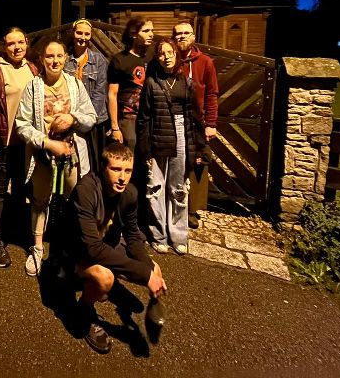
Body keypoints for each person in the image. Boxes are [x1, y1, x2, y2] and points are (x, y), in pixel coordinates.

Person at [66, 142, 168, 354]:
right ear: (103, 168)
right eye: (116, 169)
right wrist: (143, 274)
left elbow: (133, 236)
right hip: (73, 253)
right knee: (105, 279)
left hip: (105, 246)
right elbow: (93, 248)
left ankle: (117, 290)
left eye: (128, 171)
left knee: (154, 268)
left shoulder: (129, 193)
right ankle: (83, 311)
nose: (122, 177)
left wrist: (149, 271)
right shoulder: (86, 191)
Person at [16, 40, 96, 277]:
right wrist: (48, 142)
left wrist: (73, 118)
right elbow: (22, 124)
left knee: (73, 201)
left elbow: (91, 116)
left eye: (59, 56)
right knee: (40, 201)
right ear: (42, 59)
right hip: (43, 157)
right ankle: (37, 247)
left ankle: (68, 248)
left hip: (71, 156)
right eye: (49, 56)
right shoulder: (33, 87)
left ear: (65, 58)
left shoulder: (75, 85)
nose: (55, 61)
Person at [137, 39, 206, 255]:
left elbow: (195, 118)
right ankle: (158, 235)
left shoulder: (186, 83)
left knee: (177, 188)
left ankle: (178, 235)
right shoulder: (151, 83)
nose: (166, 57)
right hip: (157, 134)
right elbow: (144, 118)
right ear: (157, 58)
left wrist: (199, 148)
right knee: (155, 188)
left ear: (176, 55)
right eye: (161, 53)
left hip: (181, 135)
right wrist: (146, 150)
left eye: (170, 52)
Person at [0, 27, 38, 268]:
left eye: (20, 42)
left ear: (26, 43)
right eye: (11, 43)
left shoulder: (33, 68)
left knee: (22, 190)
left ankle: (15, 231)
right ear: (4, 47)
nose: (16, 47)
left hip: (26, 144)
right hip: (4, 144)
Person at [172, 22, 219, 229]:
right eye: (178, 34)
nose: (182, 36)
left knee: (198, 163)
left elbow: (212, 93)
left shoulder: (205, 62)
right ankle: (174, 204)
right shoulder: (169, 59)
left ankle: (192, 210)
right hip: (173, 118)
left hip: (197, 121)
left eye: (186, 33)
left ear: (193, 36)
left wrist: (211, 123)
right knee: (176, 162)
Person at [64, 19, 108, 173]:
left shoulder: (99, 60)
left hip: (95, 120)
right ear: (73, 33)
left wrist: (89, 118)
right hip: (73, 119)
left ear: (91, 36)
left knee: (95, 161)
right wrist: (75, 118)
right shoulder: (65, 60)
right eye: (79, 33)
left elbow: (100, 92)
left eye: (86, 34)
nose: (82, 37)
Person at [107, 17, 154, 151]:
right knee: (130, 153)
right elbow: (112, 95)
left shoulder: (154, 58)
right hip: (128, 118)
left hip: (150, 118)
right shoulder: (120, 60)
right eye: (146, 31)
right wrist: (115, 127)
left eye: (152, 30)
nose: (151, 34)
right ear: (133, 34)